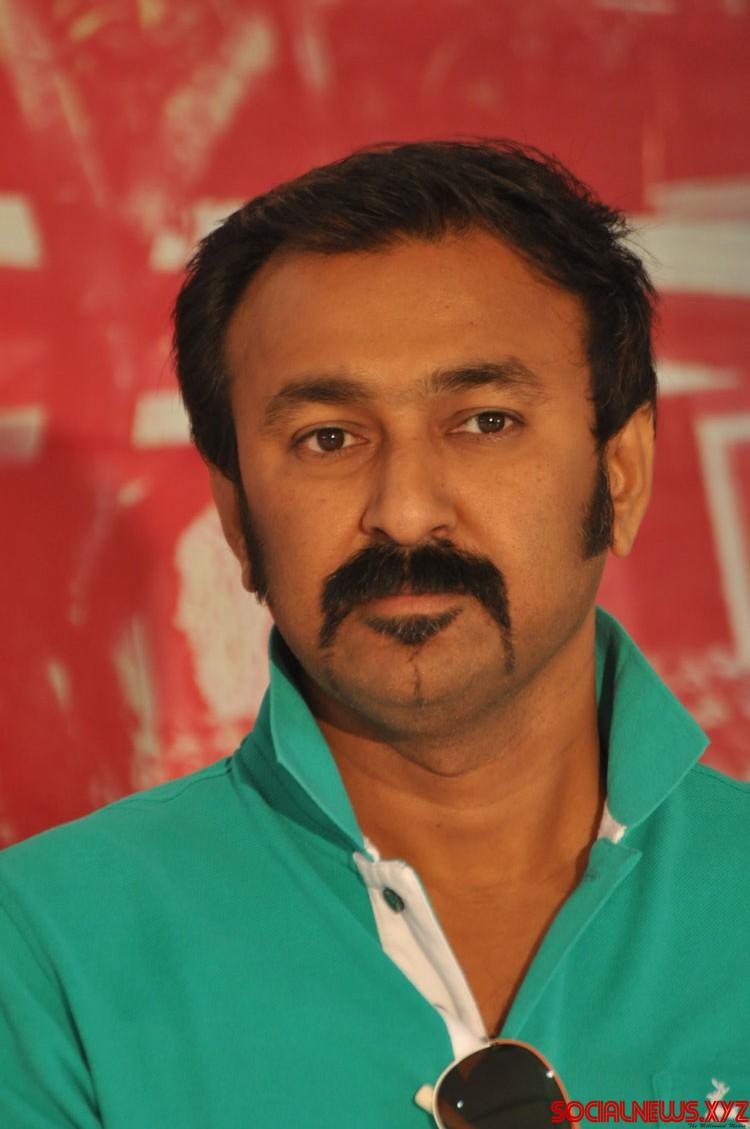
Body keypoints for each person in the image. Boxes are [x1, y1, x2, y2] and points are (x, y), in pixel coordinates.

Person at [1, 140, 747, 1129]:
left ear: (621, 473)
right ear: (237, 515)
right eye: (328, 438)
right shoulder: (44, 951)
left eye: (484, 421)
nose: (404, 512)